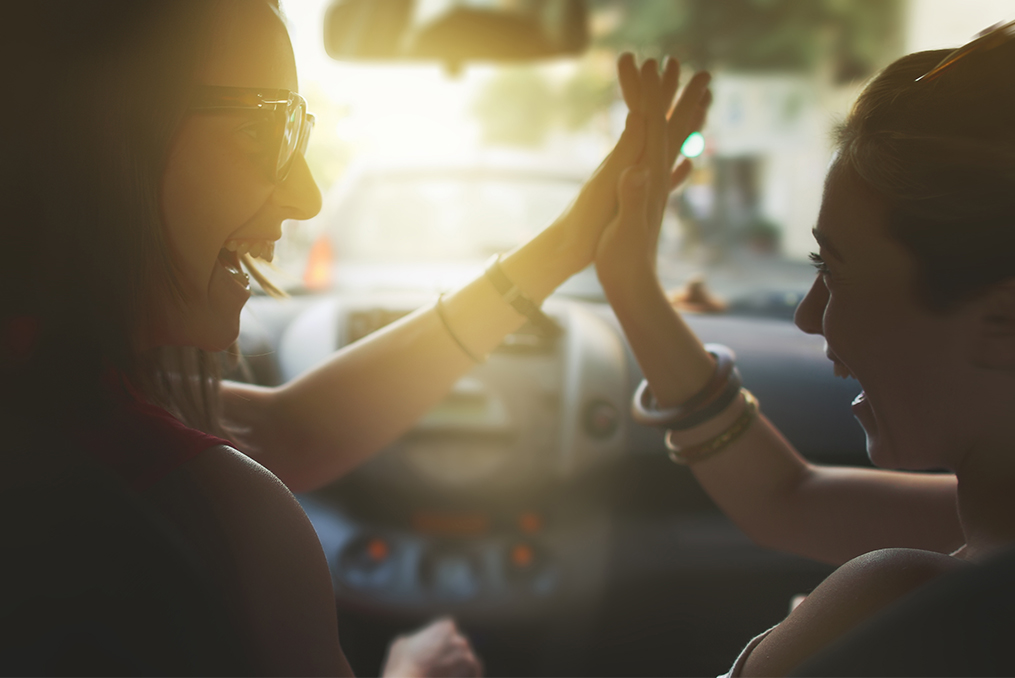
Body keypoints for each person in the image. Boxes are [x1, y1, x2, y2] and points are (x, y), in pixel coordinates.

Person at [0, 0, 710, 674]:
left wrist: (562, 247)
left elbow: (286, 433)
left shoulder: (61, 398)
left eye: (294, 131)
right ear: (91, 134)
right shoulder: (234, 521)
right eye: (260, 129)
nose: (305, 193)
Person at [599, 20, 1015, 676]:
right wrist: (630, 285)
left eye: (834, 270)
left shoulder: (900, 603)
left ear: (1001, 318)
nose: (806, 315)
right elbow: (786, 498)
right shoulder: (983, 527)